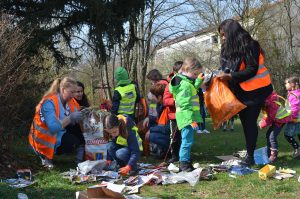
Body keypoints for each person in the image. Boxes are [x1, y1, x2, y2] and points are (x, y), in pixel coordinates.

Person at [217, 19, 273, 166]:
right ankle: (250, 154)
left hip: (257, 91)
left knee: (249, 123)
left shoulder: (251, 45)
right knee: (246, 123)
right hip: (240, 92)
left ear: (232, 32)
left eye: (224, 34)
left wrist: (230, 76)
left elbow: (252, 69)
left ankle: (250, 157)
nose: (223, 38)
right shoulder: (226, 48)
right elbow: (225, 67)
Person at [28, 77, 83, 168]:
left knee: (76, 139)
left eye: (74, 92)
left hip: (57, 135)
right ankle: (45, 157)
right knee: (69, 139)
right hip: (41, 141)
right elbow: (53, 128)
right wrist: (70, 118)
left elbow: (74, 118)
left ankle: (79, 159)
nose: (73, 95)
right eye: (71, 92)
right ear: (63, 89)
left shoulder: (69, 101)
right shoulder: (49, 102)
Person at [169, 57, 204, 171]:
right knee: (187, 141)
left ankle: (186, 161)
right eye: (195, 74)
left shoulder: (185, 83)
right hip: (187, 117)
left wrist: (198, 81)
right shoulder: (184, 85)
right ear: (188, 70)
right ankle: (184, 163)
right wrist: (191, 120)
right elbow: (185, 104)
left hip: (185, 116)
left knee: (187, 140)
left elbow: (191, 90)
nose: (195, 76)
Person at [258, 91, 292, 162]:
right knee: (268, 135)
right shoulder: (267, 104)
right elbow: (267, 116)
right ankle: (269, 153)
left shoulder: (271, 105)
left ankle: (274, 155)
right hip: (277, 120)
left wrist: (262, 124)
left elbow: (270, 118)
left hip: (280, 121)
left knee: (272, 136)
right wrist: (262, 121)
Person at [163, 61, 183, 163]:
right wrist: (175, 102)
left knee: (184, 136)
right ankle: (174, 155)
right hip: (174, 116)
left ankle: (183, 156)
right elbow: (165, 100)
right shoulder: (170, 84)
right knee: (174, 137)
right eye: (180, 72)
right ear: (175, 73)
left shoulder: (186, 83)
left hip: (184, 115)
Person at [148, 83, 171, 159]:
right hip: (165, 134)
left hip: (173, 137)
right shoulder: (158, 105)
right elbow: (155, 119)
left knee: (152, 136)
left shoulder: (169, 108)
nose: (152, 98)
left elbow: (168, 129)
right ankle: (160, 150)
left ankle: (169, 151)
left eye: (153, 96)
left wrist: (150, 130)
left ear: (160, 97)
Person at [283, 76, 300, 158]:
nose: (285, 85)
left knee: (287, 134)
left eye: (286, 83)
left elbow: (295, 107)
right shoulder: (296, 92)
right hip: (297, 118)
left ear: (292, 84)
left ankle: (297, 148)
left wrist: (292, 117)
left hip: (295, 118)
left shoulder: (294, 94)